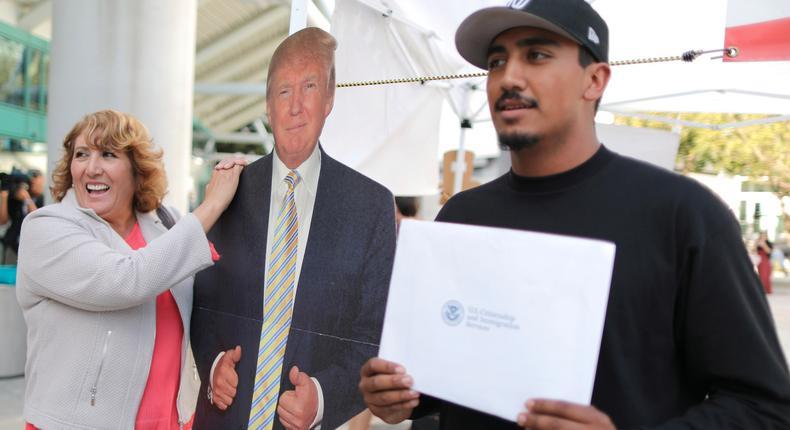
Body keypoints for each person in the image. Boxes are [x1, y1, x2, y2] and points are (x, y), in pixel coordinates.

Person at [359, 1, 790, 429]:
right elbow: (453, 365)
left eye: (537, 55)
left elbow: (764, 407)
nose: (508, 77)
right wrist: (402, 394)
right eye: (496, 61)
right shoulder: (464, 213)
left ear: (595, 80)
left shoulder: (684, 215)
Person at [190, 27, 396, 430]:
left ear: (330, 99)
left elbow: (375, 333)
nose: (296, 106)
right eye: (283, 91)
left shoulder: (370, 206)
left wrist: (322, 398)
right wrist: (213, 364)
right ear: (268, 105)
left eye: (310, 87)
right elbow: (199, 302)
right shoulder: (228, 192)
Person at [16, 109, 245, 429]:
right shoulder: (46, 229)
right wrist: (213, 205)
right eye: (82, 154)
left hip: (171, 422)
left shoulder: (168, 225)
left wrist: (216, 363)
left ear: (137, 170)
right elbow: (127, 279)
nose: (92, 168)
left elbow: (202, 312)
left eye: (108, 154)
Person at [0, 169, 45, 264]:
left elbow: (39, 219)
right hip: (13, 245)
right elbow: (3, 221)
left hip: (32, 248)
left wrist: (27, 198)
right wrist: (4, 197)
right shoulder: (15, 200)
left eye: (35, 178)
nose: (32, 182)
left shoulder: (43, 199)